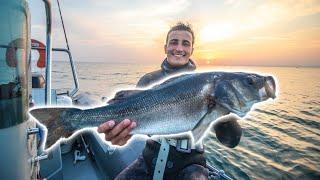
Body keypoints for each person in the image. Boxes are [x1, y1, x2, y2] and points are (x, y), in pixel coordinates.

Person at [97, 22, 241, 179]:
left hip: (191, 164)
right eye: (174, 42)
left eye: (185, 44)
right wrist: (119, 135)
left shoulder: (209, 87)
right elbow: (131, 124)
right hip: (149, 159)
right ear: (165, 48)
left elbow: (231, 141)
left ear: (191, 50)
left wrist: (224, 113)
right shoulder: (148, 80)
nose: (179, 48)